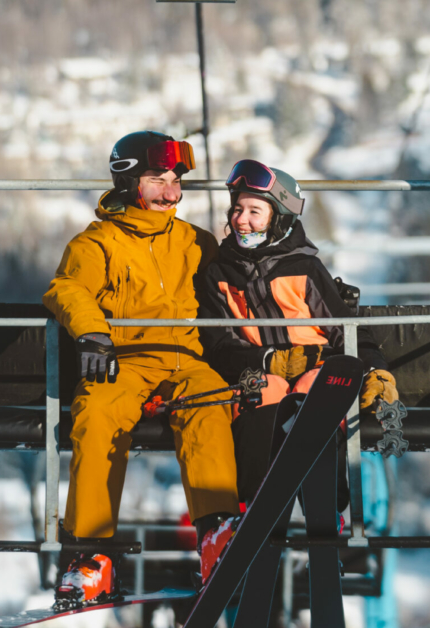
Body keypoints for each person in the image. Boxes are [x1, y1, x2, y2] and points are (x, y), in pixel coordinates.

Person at [42, 131, 243, 605]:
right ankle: (89, 555)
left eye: (176, 181)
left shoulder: (196, 242)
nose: (171, 192)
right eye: (158, 179)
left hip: (187, 362)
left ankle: (216, 539)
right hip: (127, 362)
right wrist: (93, 335)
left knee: (211, 406)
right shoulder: (98, 242)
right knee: (96, 414)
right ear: (130, 181)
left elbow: (235, 287)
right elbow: (67, 289)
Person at [199, 158, 399, 540]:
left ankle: (324, 503)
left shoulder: (305, 268)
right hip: (260, 370)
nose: (242, 219)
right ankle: (255, 506)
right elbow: (218, 340)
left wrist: (375, 368)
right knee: (266, 394)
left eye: (255, 211)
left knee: (314, 393)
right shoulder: (219, 273)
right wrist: (264, 360)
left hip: (316, 366)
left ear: (279, 218)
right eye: (237, 209)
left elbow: (346, 329)